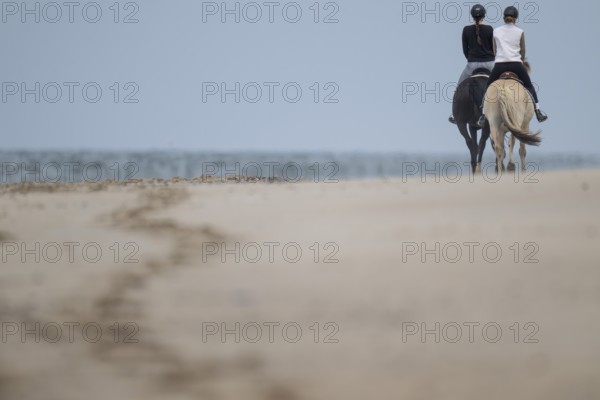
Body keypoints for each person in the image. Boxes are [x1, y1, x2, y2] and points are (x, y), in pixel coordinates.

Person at [476, 6, 548, 127]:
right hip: (516, 65)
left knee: (488, 87)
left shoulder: (496, 31)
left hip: (499, 65)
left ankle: (483, 115)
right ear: (515, 19)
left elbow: (494, 50)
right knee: (529, 86)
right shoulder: (520, 31)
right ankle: (538, 111)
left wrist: (500, 57)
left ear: (504, 18)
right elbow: (523, 51)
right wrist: (520, 60)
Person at [449, 4, 495, 124]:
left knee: (458, 88)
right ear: (484, 15)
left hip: (472, 64)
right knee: (503, 85)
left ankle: (454, 114)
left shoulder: (466, 29)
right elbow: (494, 48)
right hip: (490, 64)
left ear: (472, 16)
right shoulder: (490, 29)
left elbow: (465, 50)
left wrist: (471, 59)